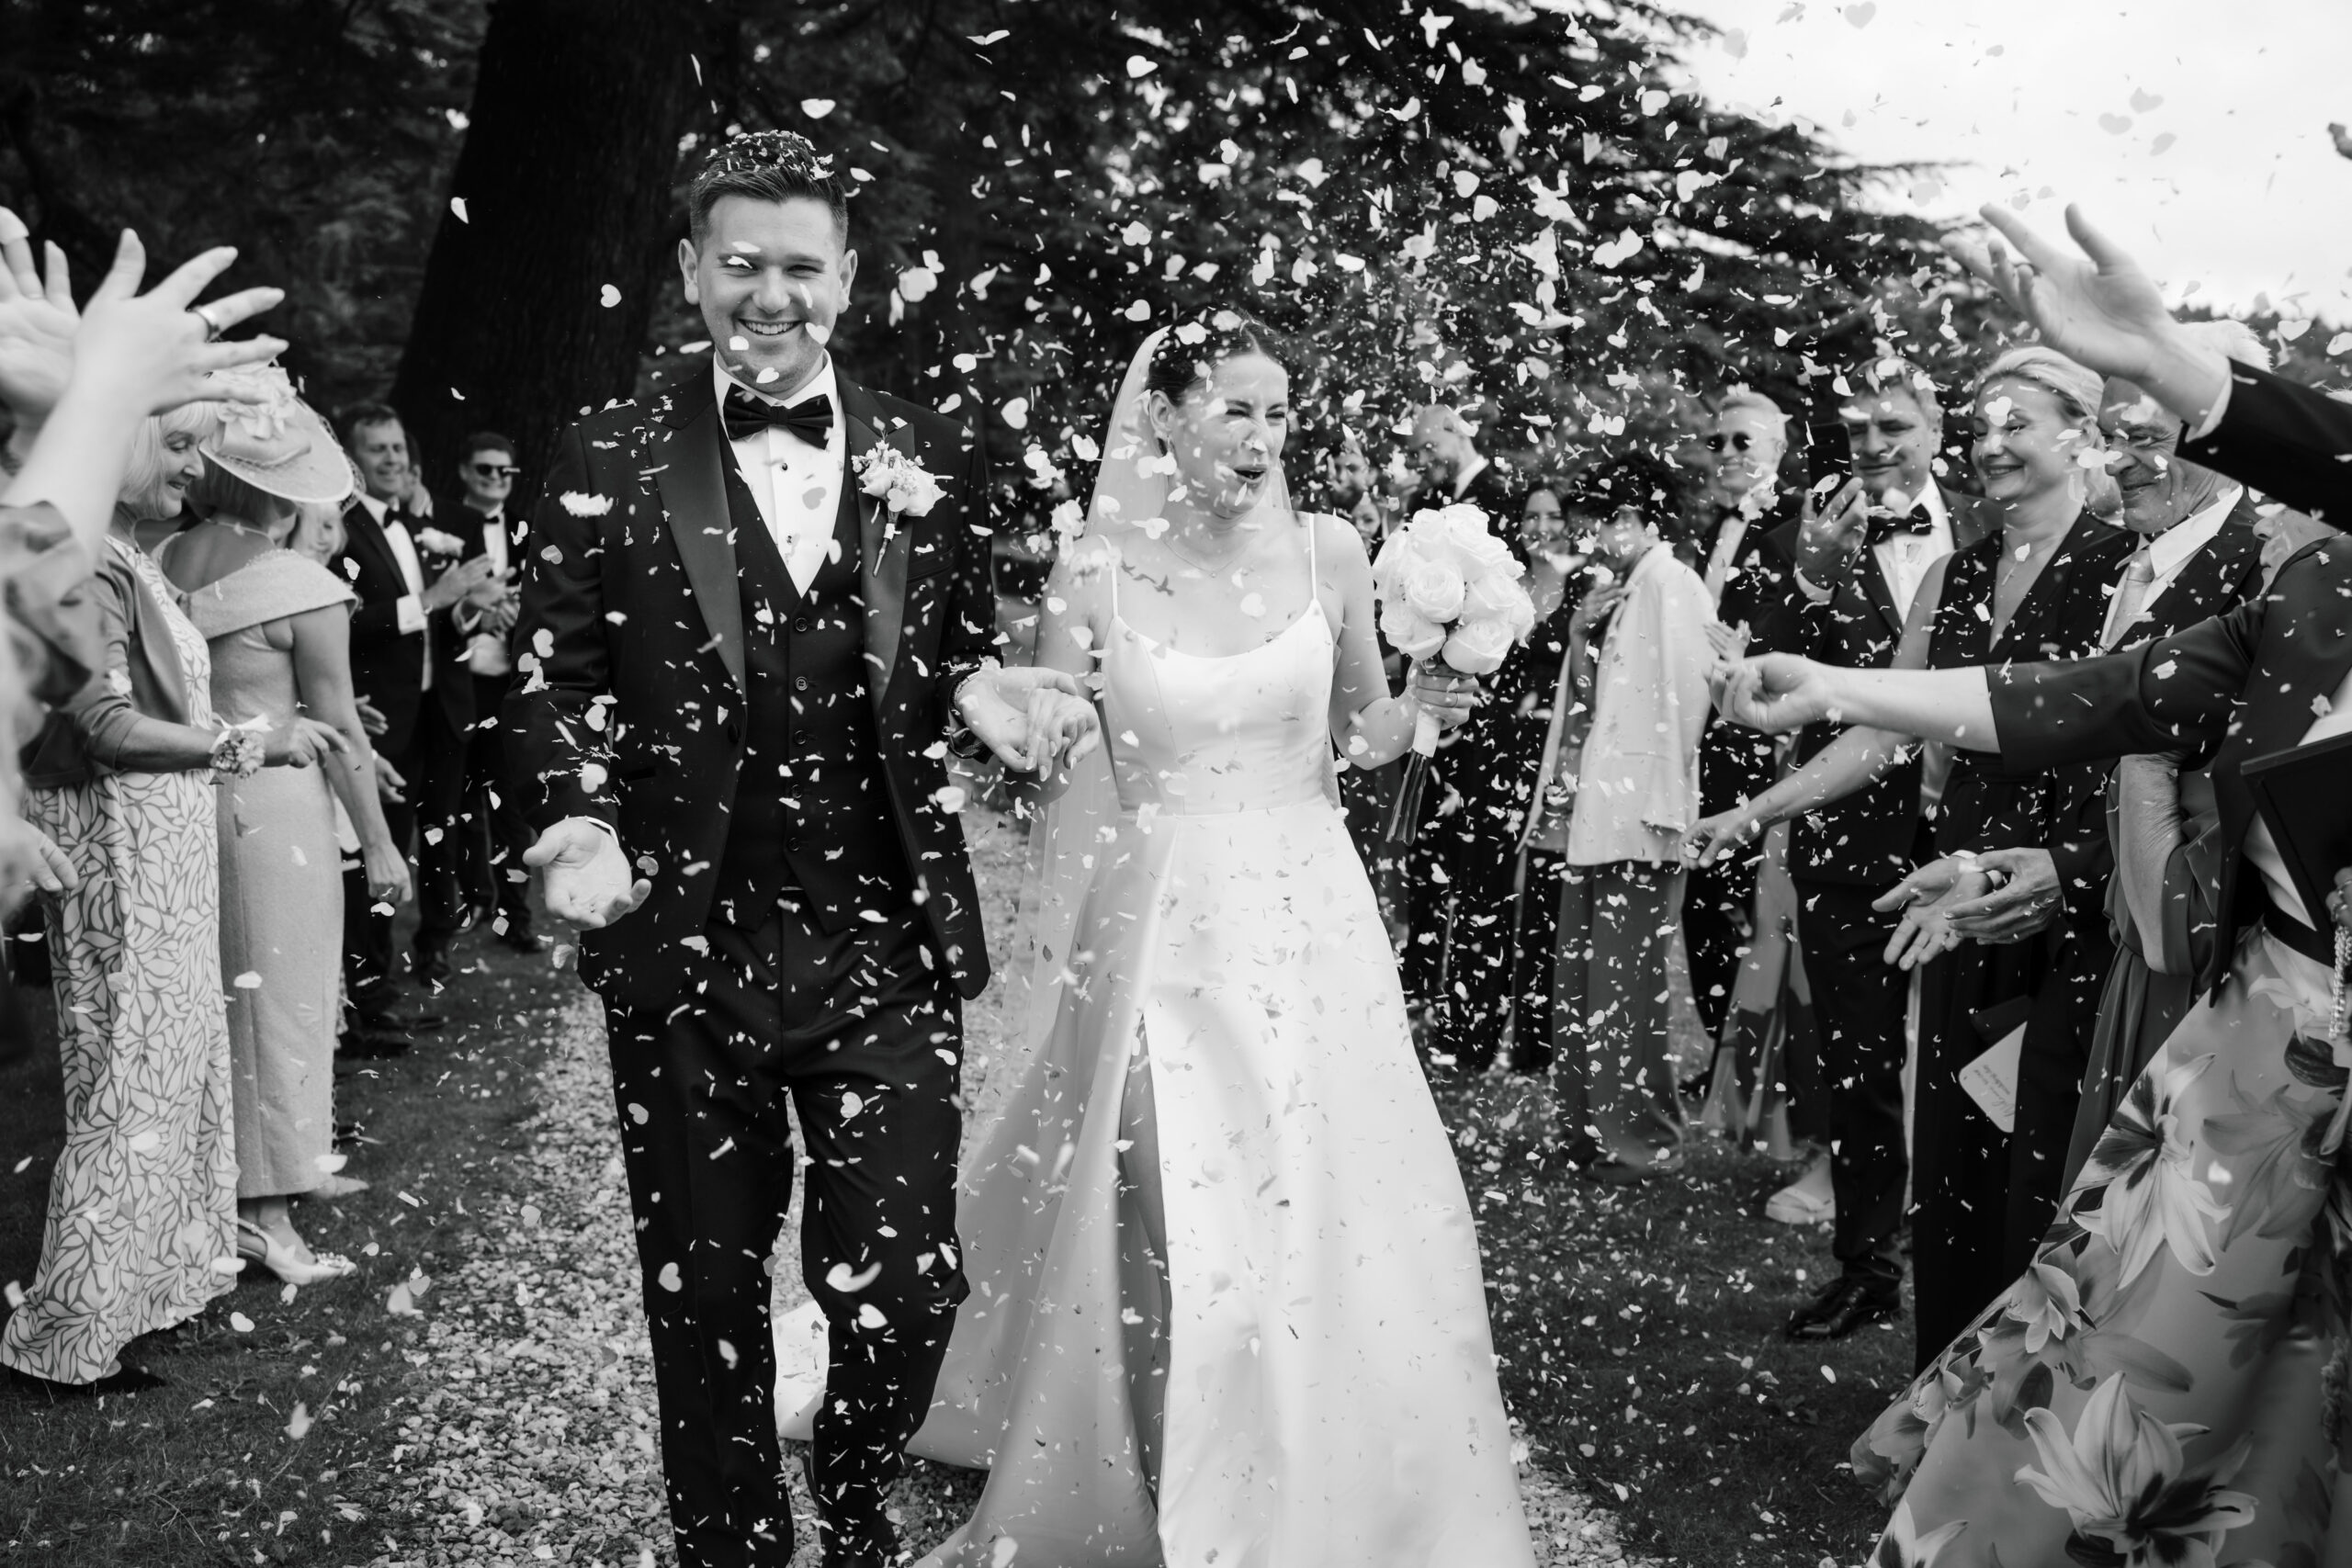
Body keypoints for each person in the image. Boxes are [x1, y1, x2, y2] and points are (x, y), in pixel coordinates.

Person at [1713, 198, 2352, 1568]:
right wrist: (1837, 681)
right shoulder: (2318, 592)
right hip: (2265, 1063)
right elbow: (2094, 694)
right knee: (2126, 1409)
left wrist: (2178, 365)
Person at [867, 314, 1532, 1566]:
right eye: (1237, 408)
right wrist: (1028, 733)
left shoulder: (1332, 551)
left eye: (1280, 412)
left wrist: (1430, 701)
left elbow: (1361, 732)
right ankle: (1166, 1451)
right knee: (1176, 1184)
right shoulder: (1095, 570)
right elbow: (1048, 745)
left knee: (1327, 1178)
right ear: (1163, 417)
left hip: (1309, 906)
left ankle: (1334, 1461)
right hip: (1161, 908)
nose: (1264, 437)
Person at [506, 130, 1083, 1568]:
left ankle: (858, 1499)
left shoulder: (926, 451)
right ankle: (732, 1543)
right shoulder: (609, 451)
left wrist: (985, 691)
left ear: (851, 276)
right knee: (700, 1280)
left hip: (880, 932)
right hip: (684, 934)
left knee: (907, 1270)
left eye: (802, 266)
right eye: (742, 263)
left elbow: (946, 656)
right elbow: (552, 678)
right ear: (693, 269)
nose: (772, 295)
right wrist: (576, 815)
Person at [1695, 345, 2132, 1361]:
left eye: (2012, 425)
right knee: (1945, 1135)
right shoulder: (1957, 571)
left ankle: (2042, 1365)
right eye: (1983, 426)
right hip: (1937, 889)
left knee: (2032, 1135)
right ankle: (1943, 1360)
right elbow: (1880, 726)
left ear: (2076, 433)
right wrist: (1761, 808)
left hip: (2050, 894)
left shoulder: (2123, 564)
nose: (1989, 446)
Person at [5, 403, 344, 1391]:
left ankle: (147, 1294)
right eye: (182, 444)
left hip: (169, 842)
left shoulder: (126, 550)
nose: (199, 471)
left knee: (175, 1072)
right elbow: (102, 725)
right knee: (129, 1086)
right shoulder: (71, 551)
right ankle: (64, 1338)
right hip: (120, 841)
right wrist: (250, 742)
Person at [1708, 355, 1997, 1340]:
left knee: (1976, 1054)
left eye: (1893, 428)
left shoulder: (1995, 522)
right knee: (1860, 1058)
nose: (1871, 447)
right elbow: (1756, 681)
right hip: (1847, 826)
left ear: (1933, 431)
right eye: (1858, 430)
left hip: (1978, 830)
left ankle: (1976, 1260)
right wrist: (1811, 579)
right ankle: (1867, 1265)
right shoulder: (1803, 531)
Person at [158, 370, 410, 1284]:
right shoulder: (300, 581)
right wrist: (377, 843)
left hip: (194, 802)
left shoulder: (165, 562)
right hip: (279, 816)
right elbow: (333, 725)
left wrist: (330, 730)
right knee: (286, 1002)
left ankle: (257, 1179)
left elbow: (228, 698)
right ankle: (265, 1217)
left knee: (229, 999)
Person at [2060, 320, 2277, 1188]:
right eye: (2112, 437)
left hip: (2207, 950)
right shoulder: (2125, 562)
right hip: (2105, 938)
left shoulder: (2264, 566)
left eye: (2146, 437)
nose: (2118, 461)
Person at [1520, 451, 1713, 1180]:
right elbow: (1594, 703)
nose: (1596, 539)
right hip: (1598, 816)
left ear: (1638, 520)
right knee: (1587, 983)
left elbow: (1690, 701)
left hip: (1643, 820)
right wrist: (1578, 637)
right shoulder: (1621, 589)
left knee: (1630, 992)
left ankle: (1642, 1138)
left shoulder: (1673, 583)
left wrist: (1668, 810)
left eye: (1605, 524)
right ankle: (1587, 1125)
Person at [334, 402, 499, 1045]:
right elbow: (343, 620)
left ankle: (401, 969)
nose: (394, 460)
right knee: (374, 853)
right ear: (352, 461)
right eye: (378, 450)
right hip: (380, 719)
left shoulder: (419, 525)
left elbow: (432, 623)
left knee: (426, 845)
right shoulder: (341, 532)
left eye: (399, 448)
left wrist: (463, 611)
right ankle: (368, 988)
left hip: (437, 710)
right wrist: (432, 598)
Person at [1430, 479, 1586, 1073]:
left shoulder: (1584, 593)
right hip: (1493, 748)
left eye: (1552, 515)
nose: (1541, 525)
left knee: (1546, 892)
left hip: (1555, 756)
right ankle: (1470, 1034)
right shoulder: (1494, 590)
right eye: (1531, 515)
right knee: (1481, 884)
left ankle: (1536, 1045)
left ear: (1568, 525)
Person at [1399, 400, 1519, 1060]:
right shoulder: (1433, 507)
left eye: (1424, 447)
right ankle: (1426, 997)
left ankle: (1471, 1024)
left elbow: (1510, 609)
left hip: (1488, 719)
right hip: (1434, 713)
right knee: (1430, 862)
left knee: (1479, 875)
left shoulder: (1500, 500)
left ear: (1454, 430)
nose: (1421, 462)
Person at [1684, 389, 1800, 1060]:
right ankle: (1725, 1058)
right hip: (1707, 742)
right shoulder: (1710, 529)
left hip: (1768, 744)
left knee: (1751, 907)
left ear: (1778, 451)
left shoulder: (1798, 528)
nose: (1725, 452)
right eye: (1717, 441)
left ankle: (1759, 1064)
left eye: (1741, 441)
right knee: (1701, 900)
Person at [442, 429, 535, 951]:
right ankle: (475, 901)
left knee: (510, 807)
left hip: (506, 684)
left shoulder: (527, 531)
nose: (496, 479)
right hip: (456, 684)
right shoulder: (442, 529)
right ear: (464, 473)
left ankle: (518, 917)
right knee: (457, 800)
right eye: (485, 470)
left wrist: (516, 616)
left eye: (505, 471)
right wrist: (478, 611)